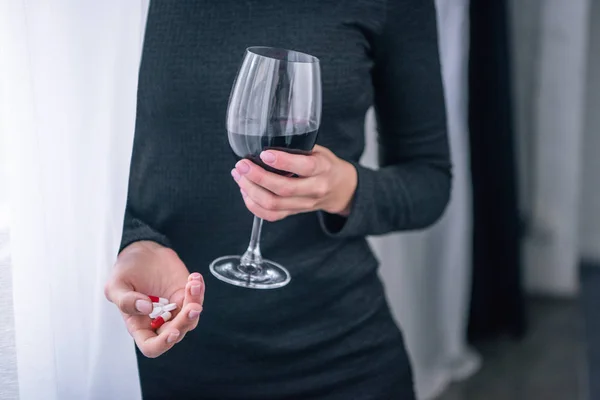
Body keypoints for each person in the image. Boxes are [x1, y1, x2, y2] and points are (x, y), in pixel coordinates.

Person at [104, 1, 451, 399]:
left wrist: (343, 188)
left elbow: (430, 182)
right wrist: (133, 239)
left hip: (341, 359)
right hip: (165, 354)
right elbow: (53, 167)